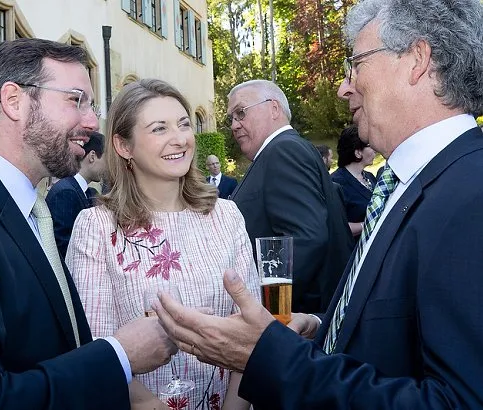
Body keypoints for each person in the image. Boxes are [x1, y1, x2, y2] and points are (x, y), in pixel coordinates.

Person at [152, 0, 483, 407]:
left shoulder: (471, 194)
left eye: (356, 65)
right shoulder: (416, 182)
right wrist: (324, 329)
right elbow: (401, 330)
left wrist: (270, 357)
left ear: (416, 59)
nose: (345, 87)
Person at [0, 39, 177, 409]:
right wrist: (120, 356)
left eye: (92, 105)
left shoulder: (27, 210)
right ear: (14, 101)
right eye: (76, 100)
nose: (91, 122)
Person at [66, 78, 259, 410]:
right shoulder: (96, 227)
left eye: (184, 124)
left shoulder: (226, 216)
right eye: (159, 129)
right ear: (124, 146)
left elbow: (253, 333)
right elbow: (94, 348)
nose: (179, 138)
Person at [228, 79, 354, 314]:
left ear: (274, 108)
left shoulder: (283, 150)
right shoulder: (283, 150)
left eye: (241, 112)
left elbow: (305, 239)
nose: (235, 125)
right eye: (231, 118)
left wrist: (268, 312)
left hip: (295, 320)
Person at [46, 131, 105, 259]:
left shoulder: (87, 192)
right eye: (107, 160)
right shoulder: (65, 192)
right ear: (92, 156)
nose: (109, 167)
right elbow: (62, 246)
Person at [331, 126, 377, 237]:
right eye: (370, 145)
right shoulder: (336, 183)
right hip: (353, 250)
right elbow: (336, 226)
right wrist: (369, 225)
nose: (375, 149)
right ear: (358, 153)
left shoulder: (370, 177)